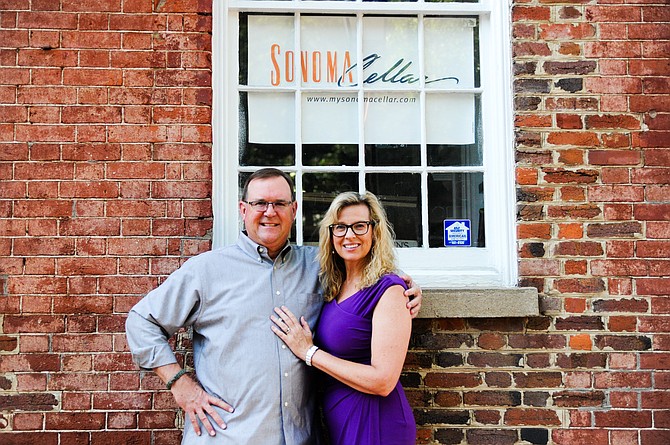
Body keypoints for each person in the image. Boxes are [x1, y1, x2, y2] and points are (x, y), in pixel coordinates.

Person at [125, 168, 421, 444]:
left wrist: (406, 287)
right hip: (228, 436)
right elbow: (141, 321)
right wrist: (179, 384)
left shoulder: (318, 266)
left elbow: (366, 275)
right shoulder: (206, 270)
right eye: (260, 204)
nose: (270, 212)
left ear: (294, 210)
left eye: (280, 203)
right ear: (243, 210)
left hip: (300, 437)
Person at [271, 191, 417, 445]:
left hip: (376, 421)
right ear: (331, 234)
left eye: (360, 226)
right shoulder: (334, 285)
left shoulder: (390, 290)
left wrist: (309, 353)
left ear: (375, 231)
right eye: (340, 227)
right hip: (342, 417)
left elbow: (383, 381)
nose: (349, 235)